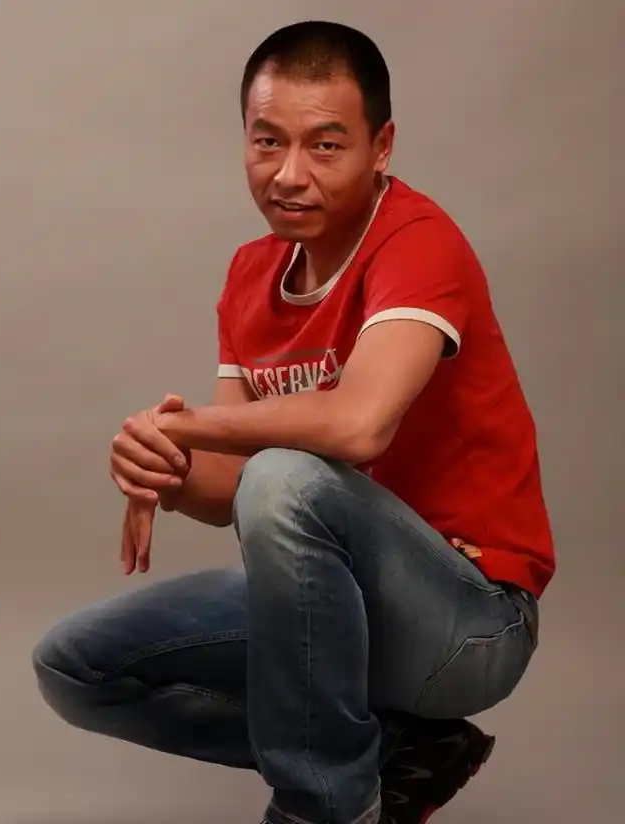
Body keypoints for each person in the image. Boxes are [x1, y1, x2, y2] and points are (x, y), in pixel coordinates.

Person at [32, 20, 555, 824]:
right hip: (329, 609)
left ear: (381, 147)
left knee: (287, 475)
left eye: (325, 146)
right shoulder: (251, 274)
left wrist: (196, 426)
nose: (288, 174)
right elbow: (228, 491)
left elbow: (358, 426)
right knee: (75, 667)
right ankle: (394, 753)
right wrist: (162, 464)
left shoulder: (418, 242)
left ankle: (322, 806)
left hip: (469, 621)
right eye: (267, 141)